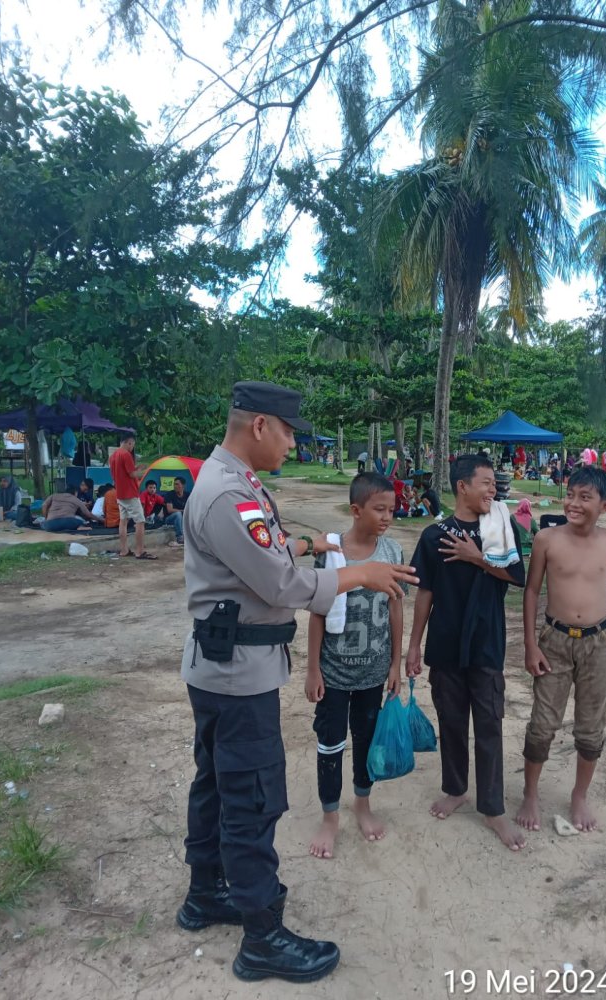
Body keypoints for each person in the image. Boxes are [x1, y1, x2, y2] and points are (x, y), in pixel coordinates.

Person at [176, 380, 417, 985]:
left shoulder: (236, 483)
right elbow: (283, 585)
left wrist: (312, 542)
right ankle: (262, 938)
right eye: (288, 433)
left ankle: (206, 893)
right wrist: (359, 573)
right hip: (237, 677)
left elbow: (274, 552)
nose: (291, 444)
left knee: (215, 783)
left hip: (223, 667)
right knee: (251, 798)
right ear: (260, 426)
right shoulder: (229, 494)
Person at [517, 467, 606, 834]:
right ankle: (530, 793)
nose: (574, 503)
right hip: (554, 641)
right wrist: (530, 644)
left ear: (605, 505)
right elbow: (531, 591)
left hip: (599, 642)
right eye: (571, 494)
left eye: (585, 497)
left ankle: (579, 795)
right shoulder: (546, 538)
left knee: (592, 727)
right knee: (542, 724)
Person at [405, 454, 527, 852]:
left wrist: (479, 558)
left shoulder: (501, 527)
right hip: (445, 645)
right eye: (487, 483)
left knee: (489, 725)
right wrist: (413, 645)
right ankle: (455, 789)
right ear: (463, 486)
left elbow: (517, 577)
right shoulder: (435, 535)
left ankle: (493, 808)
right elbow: (425, 592)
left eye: (495, 485)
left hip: (487, 644)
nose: (494, 490)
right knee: (452, 722)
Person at [305, 472, 405, 859]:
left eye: (392, 510)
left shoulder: (393, 552)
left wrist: (394, 663)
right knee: (330, 744)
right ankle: (330, 816)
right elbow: (317, 612)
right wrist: (313, 669)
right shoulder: (331, 553)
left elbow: (396, 608)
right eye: (379, 509)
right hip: (333, 672)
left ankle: (363, 804)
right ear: (356, 510)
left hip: (373, 672)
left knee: (366, 739)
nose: (387, 517)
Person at [110, 433, 156, 560]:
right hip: (130, 493)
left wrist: (137, 468)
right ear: (129, 442)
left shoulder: (113, 456)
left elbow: (123, 472)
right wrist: (144, 472)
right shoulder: (126, 454)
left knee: (123, 521)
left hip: (120, 493)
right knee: (140, 521)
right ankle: (140, 551)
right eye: (132, 444)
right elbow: (131, 474)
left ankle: (124, 549)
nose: (132, 447)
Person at [163, 476, 189, 545]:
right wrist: (183, 511)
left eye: (177, 484)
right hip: (169, 519)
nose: (175, 486)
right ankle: (180, 537)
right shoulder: (169, 494)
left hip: (183, 518)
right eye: (174, 484)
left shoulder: (187, 495)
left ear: (183, 485)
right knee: (178, 514)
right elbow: (169, 510)